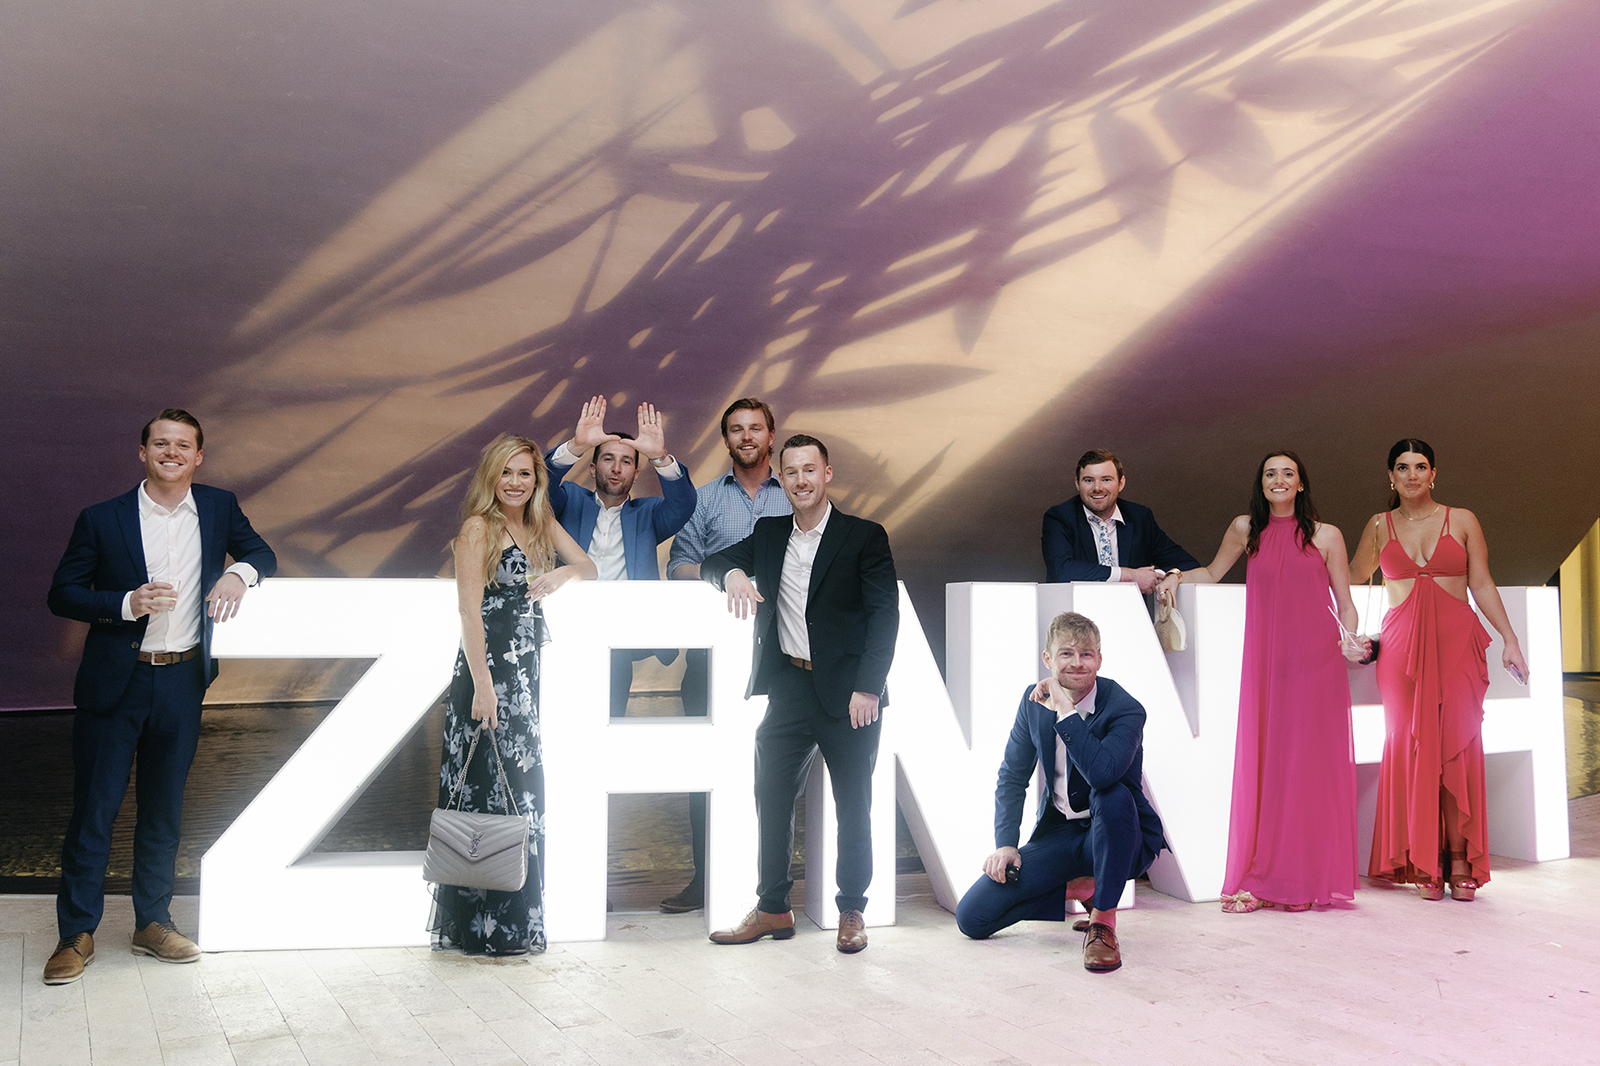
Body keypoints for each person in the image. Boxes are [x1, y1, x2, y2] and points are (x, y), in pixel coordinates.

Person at [44, 409, 276, 985]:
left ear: (198, 456)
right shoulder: (101, 518)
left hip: (180, 682)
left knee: (163, 812)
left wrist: (237, 575)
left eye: (184, 445)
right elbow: (62, 594)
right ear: (142, 452)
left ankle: (153, 924)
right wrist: (125, 603)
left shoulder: (220, 507)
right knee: (94, 813)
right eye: (160, 443)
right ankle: (76, 934)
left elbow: (262, 555)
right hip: (113, 687)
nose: (171, 452)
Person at [699, 434, 898, 954]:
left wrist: (868, 688)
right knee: (770, 796)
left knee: (854, 805)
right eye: (791, 473)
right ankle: (772, 909)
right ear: (779, 479)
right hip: (789, 686)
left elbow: (884, 618)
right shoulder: (768, 534)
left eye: (811, 470)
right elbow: (709, 563)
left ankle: (852, 909)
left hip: (850, 696)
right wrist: (736, 572)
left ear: (827, 474)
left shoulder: (864, 536)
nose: (802, 481)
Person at [430, 434, 597, 956]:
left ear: (536, 479)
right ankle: (485, 929)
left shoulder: (539, 522)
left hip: (525, 677)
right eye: (507, 473)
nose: (516, 482)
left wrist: (561, 575)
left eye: (525, 473)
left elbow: (588, 566)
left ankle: (515, 924)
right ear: (491, 477)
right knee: (487, 793)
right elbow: (467, 612)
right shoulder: (478, 528)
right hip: (488, 677)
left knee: (521, 797)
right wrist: (482, 685)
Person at [1348, 439, 1528, 902]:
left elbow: (1482, 583)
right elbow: (1347, 579)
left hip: (1456, 644)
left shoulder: (1462, 519)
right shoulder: (1378, 526)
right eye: (1402, 467)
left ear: (1434, 474)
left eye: (1420, 466)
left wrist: (1509, 639)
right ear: (1391, 476)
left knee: (1459, 746)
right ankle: (1424, 861)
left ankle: (1460, 858)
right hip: (1401, 651)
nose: (1412, 475)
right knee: (1411, 746)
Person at [1186, 451, 1363, 912]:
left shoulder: (1327, 537)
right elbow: (1210, 573)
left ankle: (1300, 880)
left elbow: (1345, 601)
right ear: (1261, 484)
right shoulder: (1246, 529)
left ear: (1301, 484)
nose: (1279, 480)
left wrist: (1350, 640)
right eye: (1270, 474)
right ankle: (1265, 875)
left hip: (1317, 664)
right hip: (1267, 667)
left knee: (1307, 769)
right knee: (1269, 766)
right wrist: (1166, 580)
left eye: (1288, 473)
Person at [955, 612, 1166, 973]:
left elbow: (1102, 774)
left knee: (1111, 794)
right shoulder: (1032, 702)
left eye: (1087, 654)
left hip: (1121, 834)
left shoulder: (1125, 709)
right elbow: (1012, 775)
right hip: (1063, 832)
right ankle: (1084, 888)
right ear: (1048, 660)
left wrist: (1066, 711)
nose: (1077, 663)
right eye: (1066, 654)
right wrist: (1006, 843)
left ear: (1099, 658)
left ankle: (1103, 923)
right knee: (973, 918)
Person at [660, 397, 791, 913]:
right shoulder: (705, 500)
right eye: (736, 430)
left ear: (771, 435)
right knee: (705, 772)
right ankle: (706, 877)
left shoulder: (798, 494)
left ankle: (771, 885)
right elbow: (679, 565)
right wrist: (729, 574)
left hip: (783, 656)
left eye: (755, 428)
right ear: (726, 439)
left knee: (778, 771)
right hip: (714, 661)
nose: (746, 437)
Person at [545, 396, 695, 716]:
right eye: (608, 459)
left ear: (636, 473)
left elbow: (683, 505)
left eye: (626, 461)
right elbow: (539, 485)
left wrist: (660, 457)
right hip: (568, 629)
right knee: (560, 719)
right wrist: (575, 444)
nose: (616, 468)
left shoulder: (649, 513)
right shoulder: (571, 499)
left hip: (621, 636)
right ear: (592, 466)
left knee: (611, 718)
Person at [1042, 449, 1204, 604]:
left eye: (1106, 479)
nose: (1097, 487)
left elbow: (1188, 564)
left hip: (1132, 618)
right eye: (1089, 480)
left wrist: (1165, 576)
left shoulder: (1140, 517)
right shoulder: (1059, 517)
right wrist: (1130, 576)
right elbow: (1062, 571)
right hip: (1078, 622)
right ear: (1077, 484)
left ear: (1121, 483)